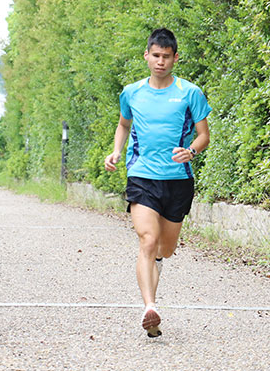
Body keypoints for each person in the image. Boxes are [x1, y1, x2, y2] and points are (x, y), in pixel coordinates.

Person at [104, 28, 211, 338]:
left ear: (175, 58)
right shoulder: (132, 92)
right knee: (147, 240)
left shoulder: (190, 92)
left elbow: (204, 135)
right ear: (146, 56)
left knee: (165, 247)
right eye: (155, 55)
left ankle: (157, 269)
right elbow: (123, 125)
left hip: (178, 180)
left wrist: (191, 150)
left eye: (166, 56)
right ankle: (149, 307)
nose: (160, 61)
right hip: (142, 176)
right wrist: (116, 151)